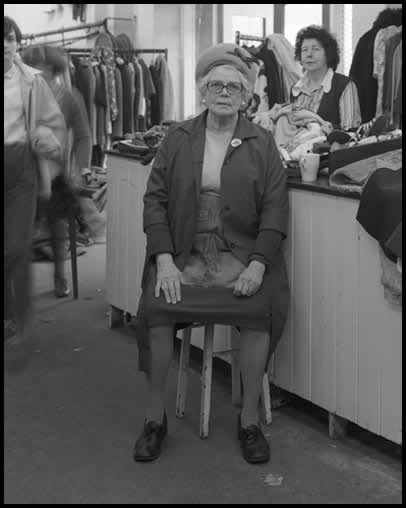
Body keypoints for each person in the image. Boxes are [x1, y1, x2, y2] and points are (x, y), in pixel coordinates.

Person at [132, 43, 290, 464]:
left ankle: (249, 422)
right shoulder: (177, 138)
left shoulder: (263, 143)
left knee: (260, 305)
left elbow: (277, 207)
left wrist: (258, 265)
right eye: (215, 85)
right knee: (158, 303)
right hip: (184, 252)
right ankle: (155, 419)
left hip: (240, 253)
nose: (223, 92)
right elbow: (154, 201)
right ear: (203, 92)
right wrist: (163, 258)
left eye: (232, 87)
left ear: (245, 97)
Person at [4, 16, 66, 349]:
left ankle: (20, 314)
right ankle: (8, 314)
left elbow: (54, 124)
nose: (4, 45)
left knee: (15, 246)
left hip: (22, 168)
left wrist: (46, 137)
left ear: (17, 44)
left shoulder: (31, 81)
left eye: (10, 39)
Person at [21, 45, 93, 297]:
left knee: (56, 226)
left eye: (45, 70)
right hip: (23, 173)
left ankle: (60, 275)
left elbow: (84, 136)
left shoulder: (70, 96)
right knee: (18, 232)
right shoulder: (20, 94)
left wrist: (79, 169)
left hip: (57, 175)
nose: (39, 74)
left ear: (54, 70)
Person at [291, 25, 361, 131]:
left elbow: (350, 130)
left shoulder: (344, 85)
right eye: (304, 50)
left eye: (316, 49)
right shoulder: (295, 89)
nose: (309, 54)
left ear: (328, 54)